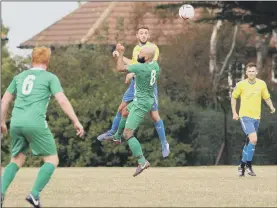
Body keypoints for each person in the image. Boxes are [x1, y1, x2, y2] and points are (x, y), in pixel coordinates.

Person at [1, 47, 84, 208]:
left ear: (32, 59)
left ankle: (0, 192)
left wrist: (2, 122)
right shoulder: (50, 77)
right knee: (52, 159)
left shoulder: (19, 76)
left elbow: (4, 101)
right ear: (47, 60)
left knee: (16, 160)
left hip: (16, 122)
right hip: (35, 122)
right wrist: (75, 121)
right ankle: (34, 194)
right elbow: (62, 100)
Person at [97, 26, 170, 158]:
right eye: (141, 33)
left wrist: (131, 74)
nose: (143, 35)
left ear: (148, 35)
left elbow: (147, 67)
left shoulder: (152, 48)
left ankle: (164, 143)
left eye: (146, 33)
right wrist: (120, 56)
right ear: (137, 35)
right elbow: (135, 64)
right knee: (122, 108)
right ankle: (113, 132)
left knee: (154, 115)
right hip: (135, 83)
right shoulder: (137, 49)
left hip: (147, 85)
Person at [113, 43, 159, 176]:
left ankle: (142, 161)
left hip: (141, 104)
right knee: (125, 111)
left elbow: (120, 68)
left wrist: (121, 53)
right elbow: (138, 66)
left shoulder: (141, 67)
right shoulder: (155, 66)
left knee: (128, 134)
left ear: (147, 57)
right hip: (147, 99)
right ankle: (117, 136)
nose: (138, 55)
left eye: (141, 54)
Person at [231, 62, 275, 177]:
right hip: (245, 116)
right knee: (254, 139)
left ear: (256, 72)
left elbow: (266, 97)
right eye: (249, 71)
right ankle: (249, 166)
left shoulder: (261, 84)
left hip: (257, 117)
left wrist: (271, 107)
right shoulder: (241, 84)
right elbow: (234, 97)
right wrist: (234, 112)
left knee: (249, 142)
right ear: (246, 73)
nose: (251, 73)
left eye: (253, 71)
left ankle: (241, 166)